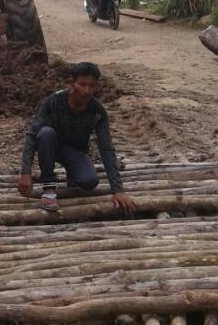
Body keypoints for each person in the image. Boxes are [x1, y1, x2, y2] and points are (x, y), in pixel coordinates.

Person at [18, 62, 136, 215]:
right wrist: (25, 172)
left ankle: (72, 175)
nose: (87, 91)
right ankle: (49, 188)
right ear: (71, 84)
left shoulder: (97, 111)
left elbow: (106, 148)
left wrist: (117, 190)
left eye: (92, 86)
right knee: (45, 133)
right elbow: (32, 136)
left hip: (74, 151)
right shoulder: (53, 102)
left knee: (89, 181)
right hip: (50, 145)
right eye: (82, 84)